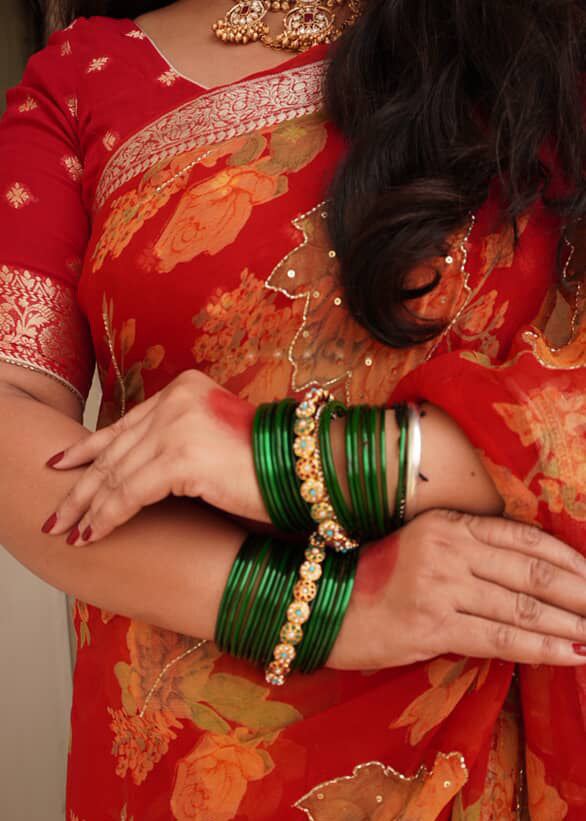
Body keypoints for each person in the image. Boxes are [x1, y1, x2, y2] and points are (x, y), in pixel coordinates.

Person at [0, 0, 585, 818]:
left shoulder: (546, 40)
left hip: (503, 729)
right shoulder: (82, 79)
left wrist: (283, 460)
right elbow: (10, 420)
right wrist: (338, 607)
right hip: (196, 771)